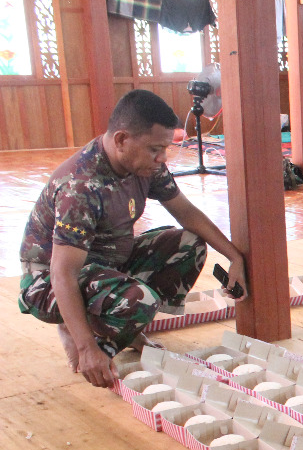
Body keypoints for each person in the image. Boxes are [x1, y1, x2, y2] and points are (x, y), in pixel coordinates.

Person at [18, 90, 248, 389]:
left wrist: (234, 257)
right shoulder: (81, 187)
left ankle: (122, 328)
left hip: (106, 263)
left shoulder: (145, 164)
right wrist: (86, 347)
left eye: (165, 148)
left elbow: (186, 212)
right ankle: (82, 332)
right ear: (121, 140)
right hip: (48, 281)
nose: (162, 158)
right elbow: (63, 273)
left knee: (189, 245)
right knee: (141, 300)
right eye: (155, 149)